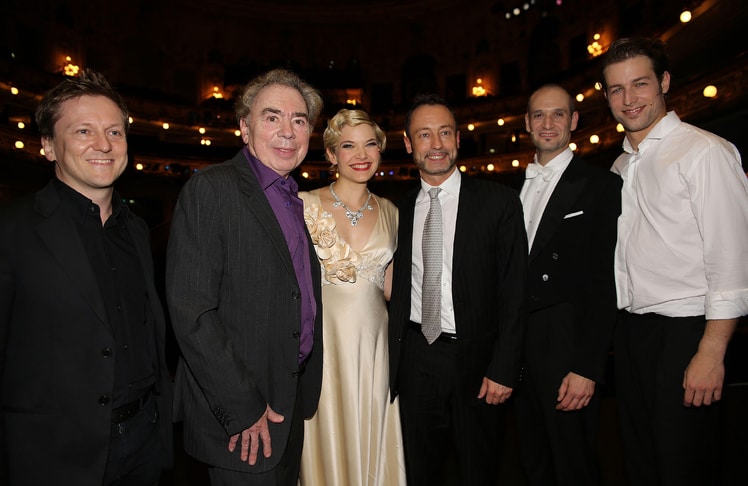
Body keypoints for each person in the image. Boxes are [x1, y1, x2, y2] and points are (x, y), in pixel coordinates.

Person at [0, 70, 173, 485]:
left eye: (114, 131)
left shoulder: (136, 230)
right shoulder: (11, 230)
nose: (103, 144)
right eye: (83, 131)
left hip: (145, 445)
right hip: (51, 456)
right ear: (48, 146)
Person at [165, 68, 324, 486]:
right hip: (245, 418)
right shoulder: (212, 190)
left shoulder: (292, 197)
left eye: (299, 120)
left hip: (289, 401)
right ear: (244, 128)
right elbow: (192, 313)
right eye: (272, 117)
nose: (287, 131)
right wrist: (243, 408)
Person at [601, 37, 748, 485]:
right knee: (642, 464)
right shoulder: (619, 167)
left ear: (664, 82)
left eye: (640, 84)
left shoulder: (705, 151)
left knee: (685, 466)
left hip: (687, 331)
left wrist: (712, 351)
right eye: (617, 89)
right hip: (631, 333)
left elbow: (733, 258)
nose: (629, 99)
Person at [388, 93, 528, 486]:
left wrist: (504, 368)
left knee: (478, 469)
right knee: (419, 471)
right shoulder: (396, 211)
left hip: (479, 361)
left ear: (458, 139)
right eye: (424, 134)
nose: (436, 144)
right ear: (408, 143)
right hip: (416, 357)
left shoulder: (499, 202)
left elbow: (515, 293)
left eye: (445, 133)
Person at [513, 84, 621, 486]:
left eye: (558, 113)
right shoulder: (511, 192)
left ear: (574, 121)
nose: (548, 123)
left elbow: (605, 282)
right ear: (527, 123)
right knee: (532, 462)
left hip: (566, 344)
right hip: (519, 347)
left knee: (574, 464)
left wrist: (587, 366)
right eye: (539, 114)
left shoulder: (600, 185)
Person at [298, 109, 406, 485]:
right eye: (348, 146)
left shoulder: (392, 212)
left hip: (376, 349)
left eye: (370, 144)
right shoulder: (303, 204)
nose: (361, 155)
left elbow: (393, 289)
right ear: (331, 154)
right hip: (322, 350)